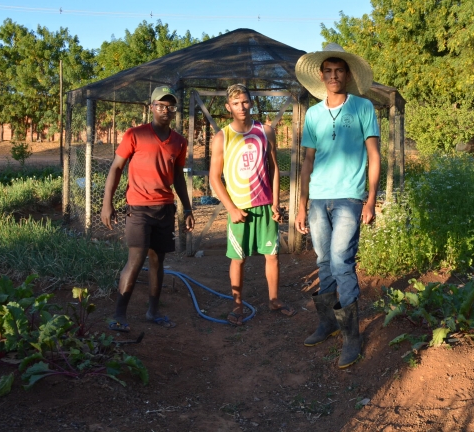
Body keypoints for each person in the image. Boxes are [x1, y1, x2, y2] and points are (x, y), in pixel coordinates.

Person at [294, 43, 380, 369]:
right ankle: (328, 322)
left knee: (342, 261)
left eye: (339, 71)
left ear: (346, 74)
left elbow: (374, 155)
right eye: (328, 71)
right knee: (323, 261)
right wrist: (301, 205)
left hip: (349, 197)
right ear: (321, 75)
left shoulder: (362, 108)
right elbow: (307, 162)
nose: (333, 76)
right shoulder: (314, 113)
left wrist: (371, 199)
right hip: (317, 198)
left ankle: (351, 338)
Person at [101, 86, 195, 332]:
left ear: (174, 110)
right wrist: (106, 203)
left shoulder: (179, 141)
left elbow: (178, 177)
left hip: (165, 208)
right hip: (139, 208)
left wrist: (187, 208)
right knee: (136, 259)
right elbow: (116, 168)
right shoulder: (135, 135)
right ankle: (119, 314)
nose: (166, 110)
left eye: (170, 106)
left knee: (157, 261)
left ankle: (153, 312)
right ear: (151, 107)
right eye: (161, 105)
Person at [209, 83, 297, 326]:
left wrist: (276, 203)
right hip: (240, 209)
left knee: (272, 255)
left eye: (245, 101)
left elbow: (274, 168)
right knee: (238, 258)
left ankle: (274, 299)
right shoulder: (222, 137)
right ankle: (237, 305)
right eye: (236, 103)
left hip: (265, 205)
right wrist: (231, 208)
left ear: (251, 102)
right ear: (228, 107)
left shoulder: (266, 131)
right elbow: (214, 178)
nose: (242, 107)